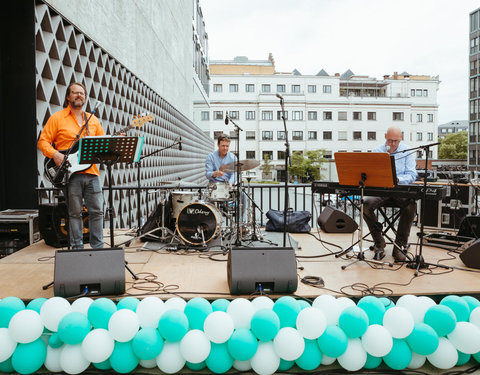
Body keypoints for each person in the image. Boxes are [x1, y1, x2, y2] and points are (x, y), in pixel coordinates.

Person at [38, 82, 105, 250]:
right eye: (75, 93)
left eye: (82, 93)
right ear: (68, 96)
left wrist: (116, 139)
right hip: (70, 174)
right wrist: (55, 154)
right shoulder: (57, 118)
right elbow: (42, 142)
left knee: (97, 212)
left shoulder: (93, 120)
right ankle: (77, 250)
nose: (79, 95)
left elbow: (103, 144)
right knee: (74, 213)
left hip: (92, 173)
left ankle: (98, 249)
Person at [363, 126, 417, 262]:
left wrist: (397, 179)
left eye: (396, 141)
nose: (392, 144)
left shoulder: (408, 151)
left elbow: (412, 175)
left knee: (411, 206)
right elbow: (371, 173)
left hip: (399, 189)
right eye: (390, 140)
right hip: (381, 190)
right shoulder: (377, 151)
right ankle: (379, 242)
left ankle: (399, 246)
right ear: (385, 136)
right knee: (365, 206)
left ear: (401, 139)